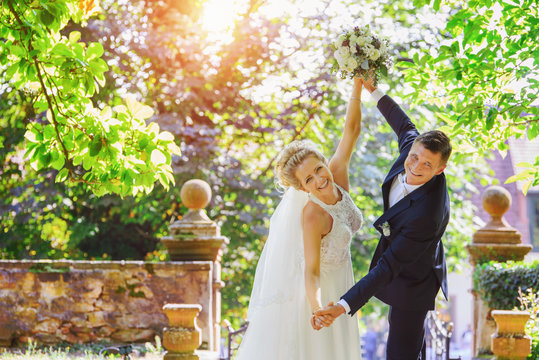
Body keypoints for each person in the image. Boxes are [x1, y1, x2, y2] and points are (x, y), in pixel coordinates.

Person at [314, 76, 452, 360]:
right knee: (412, 349)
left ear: (440, 169)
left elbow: (389, 267)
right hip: (400, 251)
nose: (415, 166)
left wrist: (342, 306)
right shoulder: (412, 148)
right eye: (414, 157)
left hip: (415, 277)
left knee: (400, 352)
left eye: (427, 165)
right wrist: (371, 88)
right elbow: (403, 123)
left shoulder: (427, 216)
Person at [235, 77, 365, 360]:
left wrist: (357, 85)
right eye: (309, 179)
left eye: (319, 169)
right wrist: (317, 308)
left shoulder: (337, 176)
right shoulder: (312, 215)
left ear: (323, 161)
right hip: (317, 292)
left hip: (343, 282)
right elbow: (312, 271)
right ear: (302, 188)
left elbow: (352, 131)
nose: (320, 179)